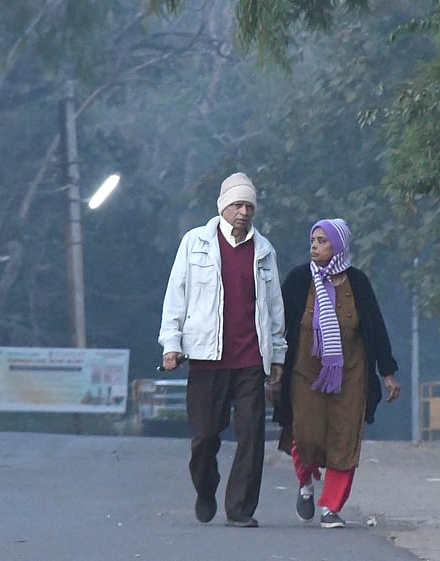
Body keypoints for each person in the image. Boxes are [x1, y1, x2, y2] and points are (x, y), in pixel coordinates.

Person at [158, 172, 286, 528]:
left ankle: (240, 508)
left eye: (248, 206)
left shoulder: (264, 251)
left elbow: (274, 309)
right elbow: (176, 296)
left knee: (251, 436)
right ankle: (205, 486)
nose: (243, 212)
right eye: (237, 205)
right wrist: (171, 343)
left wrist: (277, 356)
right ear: (223, 206)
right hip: (205, 357)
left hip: (249, 359)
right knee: (204, 437)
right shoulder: (195, 243)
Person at [271, 218, 400, 528]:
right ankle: (306, 484)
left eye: (322, 241)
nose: (314, 246)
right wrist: (274, 368)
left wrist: (388, 372)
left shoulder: (358, 282)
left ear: (339, 246)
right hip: (305, 373)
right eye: (313, 240)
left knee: (345, 438)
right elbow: (278, 326)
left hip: (350, 374)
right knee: (307, 434)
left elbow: (376, 328)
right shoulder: (300, 280)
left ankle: (331, 507)